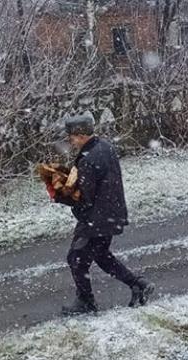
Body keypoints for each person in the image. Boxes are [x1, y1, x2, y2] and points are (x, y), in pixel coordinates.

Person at [51, 115, 154, 315]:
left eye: (72, 137)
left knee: (76, 259)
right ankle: (138, 285)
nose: (70, 141)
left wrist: (60, 194)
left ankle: (86, 302)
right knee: (101, 256)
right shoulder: (105, 147)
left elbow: (84, 197)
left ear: (81, 136)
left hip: (95, 219)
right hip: (111, 213)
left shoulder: (88, 159)